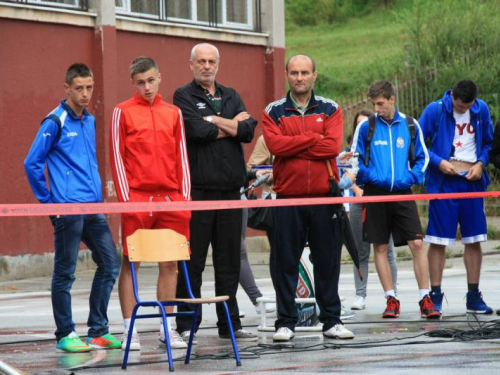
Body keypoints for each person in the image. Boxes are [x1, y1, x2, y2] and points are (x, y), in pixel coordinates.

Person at [24, 63, 121, 352]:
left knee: (110, 262)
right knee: (65, 272)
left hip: (92, 207)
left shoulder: (88, 120)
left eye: (89, 87)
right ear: (66, 88)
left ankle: (98, 330)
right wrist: (49, 204)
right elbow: (32, 163)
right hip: (66, 208)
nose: (85, 93)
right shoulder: (55, 121)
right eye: (79, 88)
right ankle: (65, 334)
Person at [262, 54, 354, 342]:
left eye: (304, 72)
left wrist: (295, 146)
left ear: (315, 75)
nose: (299, 78)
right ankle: (285, 322)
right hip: (288, 197)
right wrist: (313, 138)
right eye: (294, 73)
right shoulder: (273, 111)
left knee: (327, 261)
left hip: (325, 196)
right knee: (284, 262)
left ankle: (331, 321)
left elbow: (331, 147)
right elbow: (275, 146)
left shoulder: (331, 108)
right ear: (287, 75)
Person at [173, 43, 258, 342]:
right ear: (192, 64)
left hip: (231, 193)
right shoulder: (184, 95)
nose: (206, 66)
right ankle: (186, 325)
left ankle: (229, 325)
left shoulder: (231, 94)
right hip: (199, 193)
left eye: (211, 62)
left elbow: (248, 131)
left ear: (218, 64)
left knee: (228, 263)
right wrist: (231, 124)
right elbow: (195, 131)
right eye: (201, 62)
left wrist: (217, 122)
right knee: (193, 262)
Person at [110, 57, 191, 350]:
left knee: (170, 263)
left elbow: (182, 158)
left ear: (160, 77)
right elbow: (117, 158)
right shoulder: (122, 112)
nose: (147, 87)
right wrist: (126, 201)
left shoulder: (174, 113)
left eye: (151, 80)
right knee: (131, 262)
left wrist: (184, 199)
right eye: (141, 82)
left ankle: (167, 327)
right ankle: (129, 329)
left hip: (171, 198)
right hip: (137, 198)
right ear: (133, 82)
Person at [352, 79, 439, 319]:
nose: (377, 108)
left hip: (402, 191)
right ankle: (391, 299)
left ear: (392, 99)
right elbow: (355, 159)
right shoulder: (366, 127)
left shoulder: (410, 125)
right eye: (373, 104)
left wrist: (411, 178)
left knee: (417, 244)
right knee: (379, 247)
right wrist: (370, 176)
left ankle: (425, 298)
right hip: (375, 193)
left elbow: (423, 157)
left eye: (380, 103)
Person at [419, 79, 494, 315]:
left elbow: (489, 143)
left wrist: (481, 163)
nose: (462, 110)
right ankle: (436, 295)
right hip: (444, 183)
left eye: (466, 107)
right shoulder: (436, 110)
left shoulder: (480, 109)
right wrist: (439, 162)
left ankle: (474, 295)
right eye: (459, 106)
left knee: (474, 239)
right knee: (439, 240)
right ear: (452, 96)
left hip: (471, 182)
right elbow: (418, 142)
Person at [348, 109, 398, 311]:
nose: (363, 127)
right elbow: (348, 174)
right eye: (358, 124)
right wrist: (358, 190)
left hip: (381, 201)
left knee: (387, 251)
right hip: (359, 203)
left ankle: (393, 293)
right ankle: (360, 295)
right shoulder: (351, 152)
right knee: (360, 252)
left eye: (365, 123)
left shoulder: (383, 148)